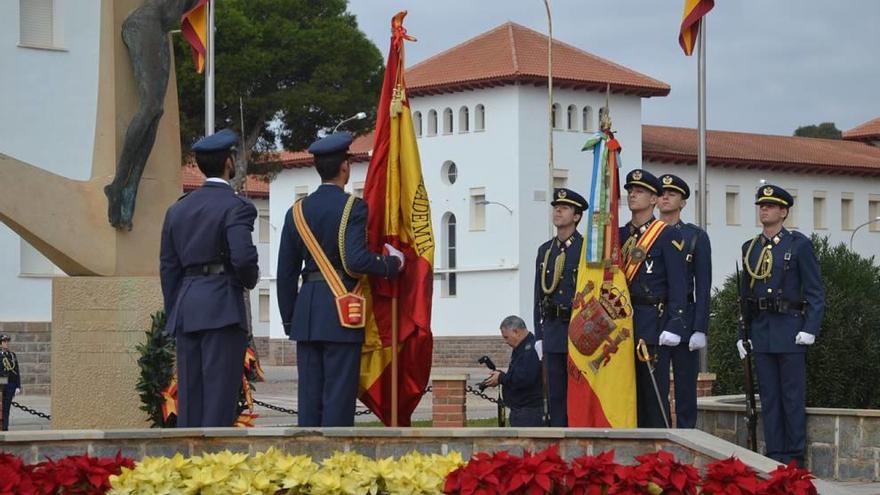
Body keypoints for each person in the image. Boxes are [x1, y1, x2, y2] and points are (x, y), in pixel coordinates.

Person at [277, 131, 404, 427]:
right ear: (345, 168)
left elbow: (285, 274)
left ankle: (307, 461)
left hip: (307, 315)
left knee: (309, 398)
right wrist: (391, 264)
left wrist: (290, 320)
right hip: (341, 312)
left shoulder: (295, 211)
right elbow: (355, 260)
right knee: (338, 397)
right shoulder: (353, 207)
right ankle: (336, 465)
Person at [159, 128, 260, 427]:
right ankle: (214, 463)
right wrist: (249, 278)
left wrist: (175, 308)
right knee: (219, 394)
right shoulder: (236, 206)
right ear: (229, 162)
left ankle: (188, 462)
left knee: (190, 395)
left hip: (187, 307)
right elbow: (243, 257)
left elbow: (168, 266)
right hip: (222, 307)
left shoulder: (178, 209)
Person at [738, 184, 824, 466]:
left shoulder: (798, 245)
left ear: (784, 212)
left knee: (791, 398)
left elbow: (814, 293)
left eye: (771, 206)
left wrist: (810, 328)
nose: (764, 209)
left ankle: (795, 458)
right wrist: (743, 333)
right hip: (762, 332)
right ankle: (775, 456)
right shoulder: (750, 248)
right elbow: (745, 297)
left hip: (790, 330)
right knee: (770, 400)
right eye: (762, 205)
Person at [619, 169, 687, 428]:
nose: (633, 195)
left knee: (653, 393)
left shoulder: (666, 235)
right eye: (630, 191)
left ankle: (657, 452)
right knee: (626, 393)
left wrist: (674, 323)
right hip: (623, 322)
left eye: (640, 191)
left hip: (652, 321)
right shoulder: (620, 234)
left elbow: (678, 285)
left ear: (653, 199)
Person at [657, 174, 712, 428]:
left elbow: (702, 285)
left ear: (683, 202)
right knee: (655, 387)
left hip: (685, 319)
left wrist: (700, 328)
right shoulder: (648, 234)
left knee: (685, 387)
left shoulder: (694, 237)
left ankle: (688, 435)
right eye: (661, 193)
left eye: (672, 193)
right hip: (655, 316)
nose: (665, 197)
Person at [534, 188, 587, 427]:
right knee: (555, 392)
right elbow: (538, 294)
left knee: (578, 391)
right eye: (556, 207)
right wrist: (539, 334)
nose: (557, 211)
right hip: (554, 329)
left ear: (576, 216)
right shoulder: (546, 250)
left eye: (564, 208)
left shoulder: (585, 249)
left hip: (579, 330)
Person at [482, 316, 544, 427]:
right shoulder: (521, 348)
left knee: (526, 444)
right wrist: (500, 375)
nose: (505, 342)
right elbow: (517, 373)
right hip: (521, 410)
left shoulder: (531, 349)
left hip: (529, 412)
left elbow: (524, 378)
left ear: (516, 332)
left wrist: (501, 378)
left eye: (506, 337)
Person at [1, 334, 22, 431]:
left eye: (7, 341)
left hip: (10, 385)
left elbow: (16, 371)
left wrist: (18, 386)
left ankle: (5, 428)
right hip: (0, 385)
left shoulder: (12, 355)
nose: (6, 343)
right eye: (4, 341)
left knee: (6, 409)